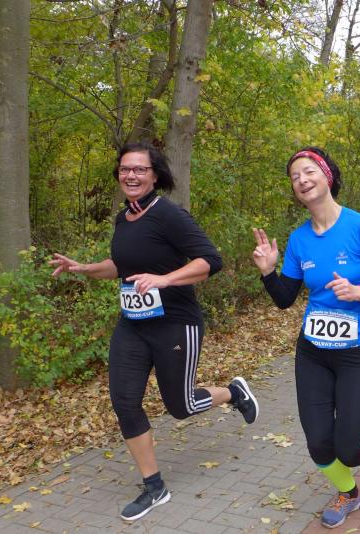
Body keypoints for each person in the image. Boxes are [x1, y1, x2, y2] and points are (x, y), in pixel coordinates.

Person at [50, 143, 259, 522]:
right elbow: (121, 265)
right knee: (124, 401)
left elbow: (211, 260)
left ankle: (233, 392)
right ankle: (154, 487)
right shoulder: (123, 218)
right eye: (124, 169)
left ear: (155, 175)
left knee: (181, 407)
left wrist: (165, 279)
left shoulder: (168, 214)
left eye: (139, 169)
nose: (130, 175)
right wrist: (83, 268)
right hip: (133, 325)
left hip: (175, 324)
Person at [251, 147, 360, 529]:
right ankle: (349, 493)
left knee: (352, 450)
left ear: (327, 175)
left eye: (308, 171)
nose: (302, 180)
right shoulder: (299, 240)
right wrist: (268, 272)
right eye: (295, 177)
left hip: (358, 353)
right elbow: (285, 299)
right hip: (313, 353)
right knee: (319, 444)